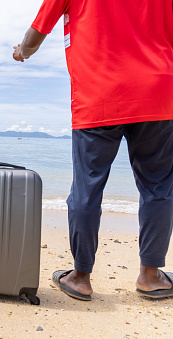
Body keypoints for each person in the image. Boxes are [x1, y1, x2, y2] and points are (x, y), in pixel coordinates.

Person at [13, 0, 173, 301]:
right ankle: (151, 276)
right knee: (158, 186)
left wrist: (22, 50)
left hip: (98, 96)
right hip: (157, 93)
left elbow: (38, 29)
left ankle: (81, 277)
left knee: (87, 188)